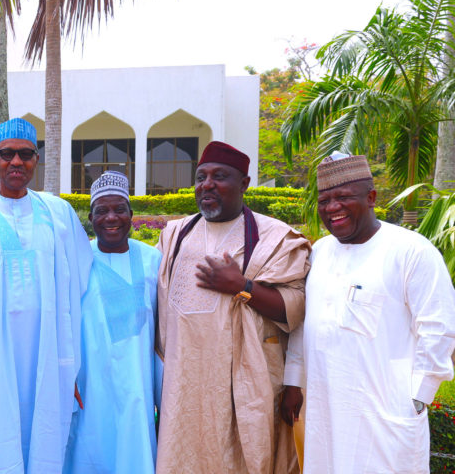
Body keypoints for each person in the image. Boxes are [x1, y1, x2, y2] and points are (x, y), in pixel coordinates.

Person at [281, 152, 455, 473]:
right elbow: (306, 324)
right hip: (325, 406)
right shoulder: (319, 252)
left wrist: (418, 397)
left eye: (344, 197)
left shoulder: (411, 251)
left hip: (387, 409)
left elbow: (439, 328)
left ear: (371, 197)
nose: (332, 208)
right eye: (324, 200)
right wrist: (293, 381)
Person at [0, 118, 93, 473]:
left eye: (25, 154)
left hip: (46, 351)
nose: (16, 162)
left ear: (36, 160)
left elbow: (77, 291)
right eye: (7, 154)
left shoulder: (59, 213)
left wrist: (68, 365)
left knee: (43, 437)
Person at [155, 141, 311, 474]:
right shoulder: (174, 235)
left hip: (244, 383)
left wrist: (241, 286)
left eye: (219, 176)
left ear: (244, 184)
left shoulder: (276, 237)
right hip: (184, 383)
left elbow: (295, 307)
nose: (206, 184)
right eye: (201, 177)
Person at [63, 171, 162, 474]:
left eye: (119, 209)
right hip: (89, 386)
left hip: (138, 384)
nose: (111, 217)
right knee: (88, 450)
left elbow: (164, 332)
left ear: (131, 214)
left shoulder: (152, 260)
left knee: (135, 450)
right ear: (90, 218)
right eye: (101, 211)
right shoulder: (76, 260)